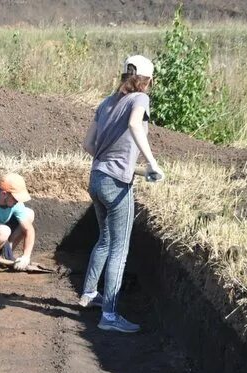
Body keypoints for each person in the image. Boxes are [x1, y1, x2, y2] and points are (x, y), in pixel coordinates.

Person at [79, 54, 165, 333]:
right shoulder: (140, 99)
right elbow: (134, 125)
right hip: (116, 184)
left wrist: (121, 165)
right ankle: (110, 315)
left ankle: (89, 293)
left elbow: (88, 144)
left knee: (104, 239)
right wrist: (151, 163)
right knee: (120, 248)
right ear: (146, 80)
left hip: (96, 177)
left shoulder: (106, 102)